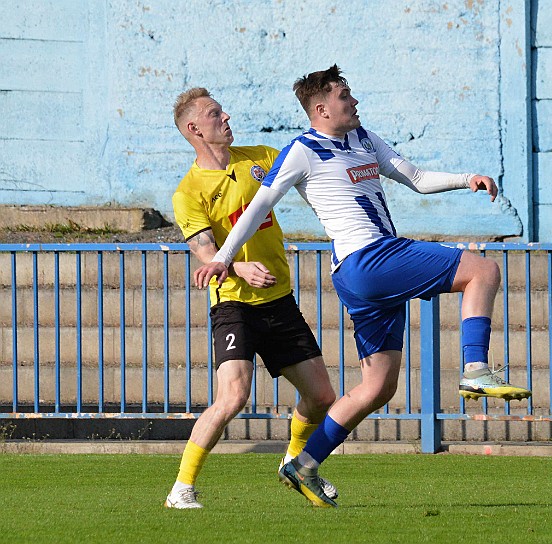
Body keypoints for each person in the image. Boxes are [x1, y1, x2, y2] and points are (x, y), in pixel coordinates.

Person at [193, 66, 531, 508]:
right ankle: (473, 371)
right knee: (483, 272)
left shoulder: (364, 139)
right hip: (368, 258)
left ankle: (304, 463)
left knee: (378, 387)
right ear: (321, 108)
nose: (354, 102)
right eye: (344, 96)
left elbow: (416, 177)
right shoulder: (302, 150)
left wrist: (465, 180)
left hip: (360, 275)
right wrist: (223, 258)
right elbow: (259, 206)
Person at [164, 88, 337, 509]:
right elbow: (204, 249)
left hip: (279, 300)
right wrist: (236, 266)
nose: (225, 116)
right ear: (193, 129)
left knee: (323, 398)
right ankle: (181, 488)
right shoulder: (189, 191)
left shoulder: (261, 157)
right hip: (234, 304)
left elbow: (311, 177)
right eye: (213, 113)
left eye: (222, 109)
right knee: (233, 396)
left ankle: (293, 462)